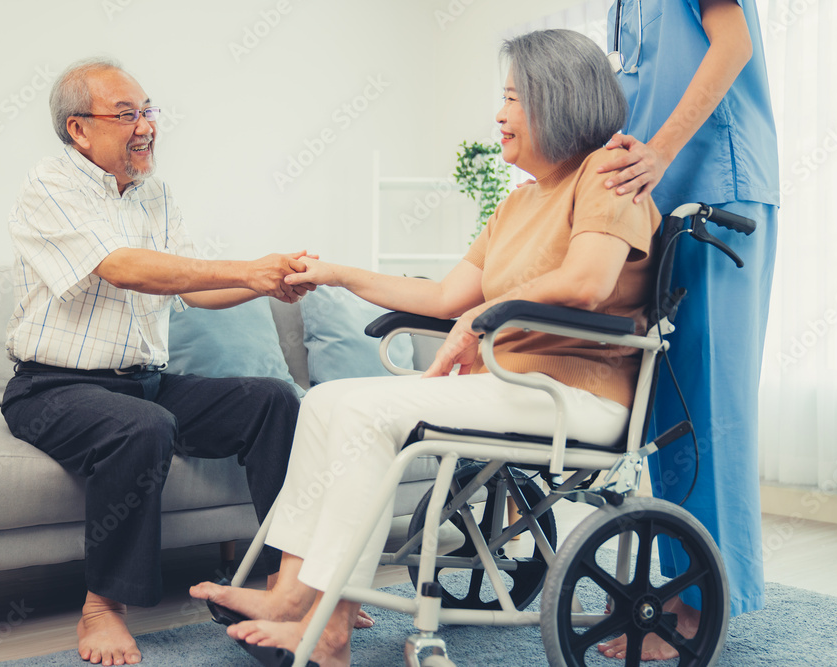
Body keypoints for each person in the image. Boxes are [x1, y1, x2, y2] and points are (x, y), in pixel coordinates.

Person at [189, 29, 660, 666]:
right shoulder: (519, 201)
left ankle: (328, 629)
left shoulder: (605, 178)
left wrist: (483, 318)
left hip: (575, 395)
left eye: (513, 98)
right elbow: (443, 296)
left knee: (362, 413)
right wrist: (337, 273)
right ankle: (291, 595)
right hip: (512, 386)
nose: (499, 114)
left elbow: (588, 281)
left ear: (560, 100)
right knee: (324, 401)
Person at [1, 57, 313, 666]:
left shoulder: (157, 195)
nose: (145, 126)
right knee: (145, 427)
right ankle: (102, 608)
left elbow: (194, 291)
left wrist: (266, 283)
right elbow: (122, 266)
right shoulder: (49, 186)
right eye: (126, 115)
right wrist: (244, 268)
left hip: (144, 383)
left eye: (147, 111)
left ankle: (283, 587)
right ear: (78, 130)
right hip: (51, 389)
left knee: (274, 399)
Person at [594, 0, 779, 661]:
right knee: (664, 403)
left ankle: (708, 602)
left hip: (718, 185)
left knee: (711, 404)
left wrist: (661, 150)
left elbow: (732, 45)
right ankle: (676, 586)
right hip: (658, 195)